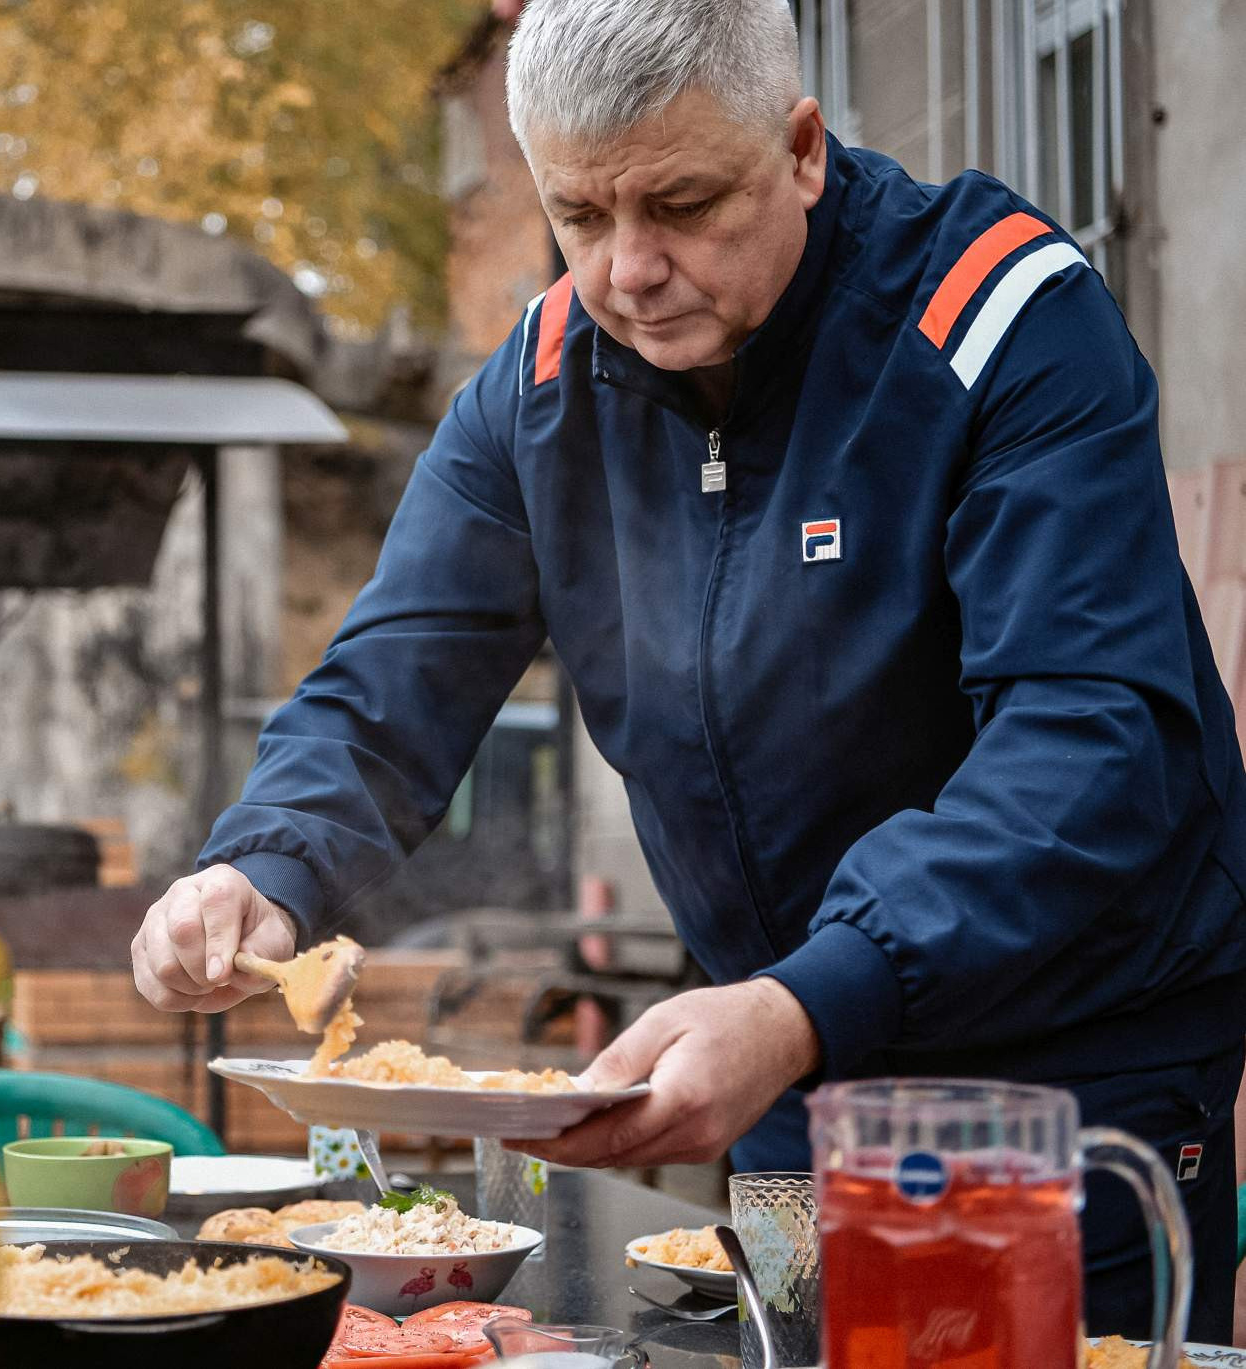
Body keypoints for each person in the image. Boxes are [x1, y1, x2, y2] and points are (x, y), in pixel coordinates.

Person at [130, 0, 1246, 1338]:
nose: (629, 271)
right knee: (790, 1343)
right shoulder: (540, 390)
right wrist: (263, 862)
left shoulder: (1001, 321)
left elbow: (1087, 738)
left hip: (1069, 1065)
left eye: (682, 203)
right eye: (581, 217)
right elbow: (393, 680)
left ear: (802, 148)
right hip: (779, 1061)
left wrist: (808, 994)